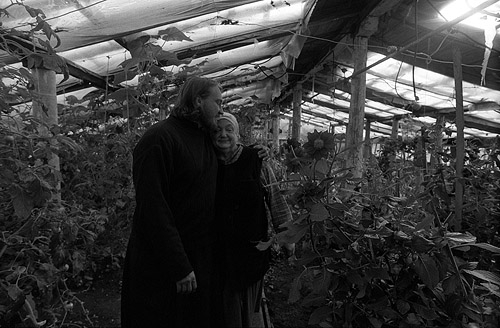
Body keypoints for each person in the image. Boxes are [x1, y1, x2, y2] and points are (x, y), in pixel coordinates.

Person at [120, 76, 223, 328]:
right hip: (161, 265)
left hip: (195, 258)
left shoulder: (201, 138)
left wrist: (253, 156)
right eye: (217, 102)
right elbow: (153, 207)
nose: (222, 109)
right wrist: (178, 264)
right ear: (198, 101)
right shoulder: (160, 139)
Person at [212, 112, 294, 327]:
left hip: (251, 249)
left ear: (237, 134)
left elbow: (275, 198)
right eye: (217, 130)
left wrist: (286, 235)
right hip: (217, 250)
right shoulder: (206, 162)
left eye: (229, 130)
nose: (223, 134)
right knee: (224, 305)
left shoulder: (255, 160)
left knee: (249, 304)